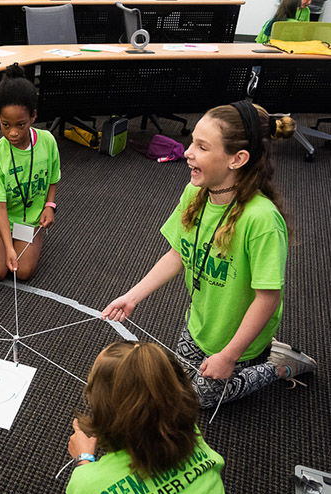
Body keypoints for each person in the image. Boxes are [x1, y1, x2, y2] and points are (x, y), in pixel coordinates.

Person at [102, 102, 317, 409]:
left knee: (199, 398)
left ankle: (279, 364)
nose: (188, 152)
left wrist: (229, 356)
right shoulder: (195, 193)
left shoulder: (262, 220)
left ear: (237, 159)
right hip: (202, 322)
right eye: (193, 142)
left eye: (202, 147)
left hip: (239, 339)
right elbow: (178, 253)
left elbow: (267, 299)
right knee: (175, 381)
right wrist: (133, 296)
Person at [66, 341, 225, 494]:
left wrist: (83, 459)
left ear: (105, 409)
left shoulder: (86, 483)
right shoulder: (191, 432)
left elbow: (86, 486)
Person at [0, 63, 61, 281]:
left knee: (23, 272)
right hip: (1, 217)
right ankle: (2, 240)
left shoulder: (47, 142)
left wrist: (49, 206)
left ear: (33, 116)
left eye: (20, 125)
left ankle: (27, 237)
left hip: (29, 218)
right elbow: (0, 209)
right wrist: (9, 247)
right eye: (6, 125)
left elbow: (52, 178)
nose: (13, 133)